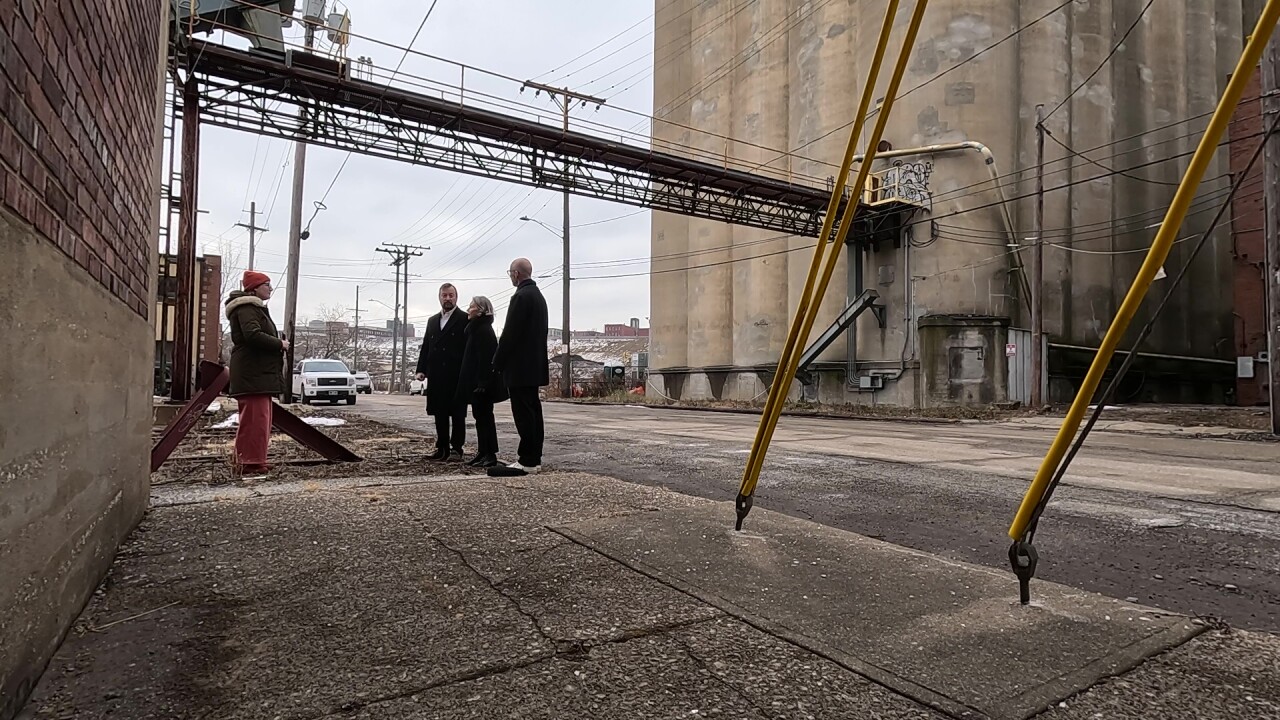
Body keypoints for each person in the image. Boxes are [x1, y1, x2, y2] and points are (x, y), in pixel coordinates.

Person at [224, 271, 288, 477]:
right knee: (254, 419)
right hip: (252, 374)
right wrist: (279, 343)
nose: (270, 288)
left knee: (261, 419)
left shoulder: (252, 307)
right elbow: (252, 335)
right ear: (254, 288)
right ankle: (247, 461)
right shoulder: (246, 307)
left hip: (258, 374)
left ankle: (254, 459)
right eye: (266, 284)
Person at [491, 257, 549, 475]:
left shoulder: (521, 297)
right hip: (534, 365)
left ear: (516, 274)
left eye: (510, 273)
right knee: (533, 412)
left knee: (523, 414)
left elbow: (510, 334)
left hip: (520, 368)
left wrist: (498, 362)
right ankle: (534, 457)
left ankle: (527, 460)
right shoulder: (539, 297)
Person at [416, 282, 468, 461]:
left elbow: (469, 348)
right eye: (444, 295)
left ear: (456, 297)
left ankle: (456, 449)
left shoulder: (465, 319)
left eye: (451, 295)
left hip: (457, 375)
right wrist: (421, 369)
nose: (447, 298)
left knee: (458, 414)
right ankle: (442, 447)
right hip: (437, 375)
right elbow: (426, 347)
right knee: (439, 413)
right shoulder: (432, 320)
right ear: (439, 297)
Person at [457, 296, 507, 468]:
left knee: (485, 418)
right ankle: (482, 451)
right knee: (479, 418)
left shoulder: (484, 330)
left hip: (482, 385)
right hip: (476, 383)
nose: (468, 309)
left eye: (471, 306)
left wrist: (483, 384)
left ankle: (490, 454)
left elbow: (487, 359)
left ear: (480, 311)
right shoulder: (474, 329)